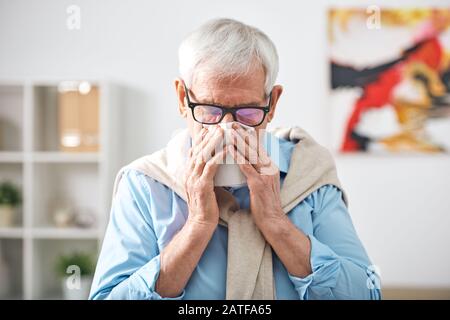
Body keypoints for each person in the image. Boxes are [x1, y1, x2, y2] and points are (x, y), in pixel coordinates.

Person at [89, 18, 381, 300]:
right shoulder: (145, 184)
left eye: (248, 112)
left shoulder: (308, 172)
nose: (227, 129)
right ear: (182, 99)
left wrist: (276, 223)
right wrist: (197, 226)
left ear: (272, 103)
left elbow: (367, 293)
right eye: (209, 110)